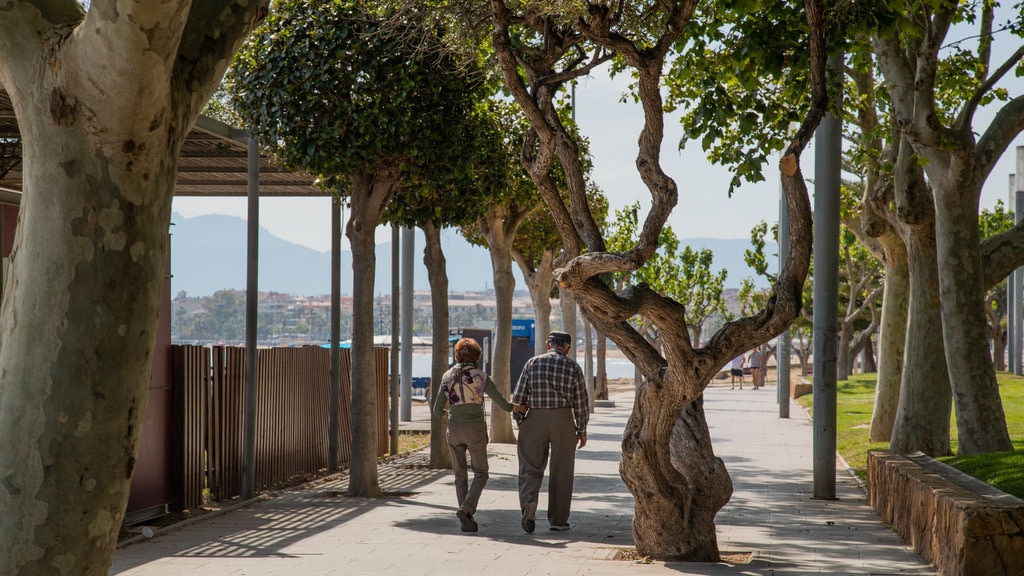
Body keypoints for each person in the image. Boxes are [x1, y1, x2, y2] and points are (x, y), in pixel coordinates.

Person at [432, 337, 518, 533]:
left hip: (453, 429)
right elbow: (503, 404)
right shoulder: (480, 376)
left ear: (457, 354)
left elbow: (437, 410)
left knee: (459, 475)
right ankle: (466, 509)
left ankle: (466, 519)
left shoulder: (447, 376)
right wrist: (517, 407)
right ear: (477, 357)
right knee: (481, 473)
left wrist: (452, 415)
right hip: (475, 429)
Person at [511, 331, 589, 533]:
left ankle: (529, 503)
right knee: (562, 472)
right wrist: (581, 430)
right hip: (563, 421)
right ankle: (558, 520)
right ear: (568, 348)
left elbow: (518, 398)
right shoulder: (573, 367)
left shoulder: (532, 363)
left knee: (530, 467)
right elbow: (581, 404)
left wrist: (521, 421)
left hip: (535, 419)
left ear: (548, 345)